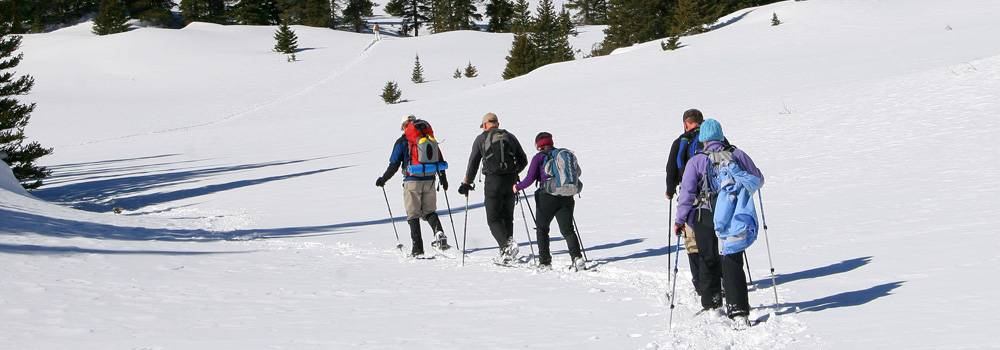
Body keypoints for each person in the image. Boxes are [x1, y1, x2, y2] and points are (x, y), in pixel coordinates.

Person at [674, 118, 763, 328]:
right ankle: (739, 310)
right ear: (721, 135)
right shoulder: (737, 155)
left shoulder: (696, 161)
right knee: (732, 258)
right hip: (732, 212)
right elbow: (758, 179)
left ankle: (712, 304)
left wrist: (679, 220)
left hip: (704, 214)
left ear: (704, 139)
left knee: (708, 257)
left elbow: (686, 193)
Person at [458, 112, 528, 263]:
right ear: (498, 123)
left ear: (484, 125)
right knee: (507, 216)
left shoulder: (481, 138)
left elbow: (473, 163)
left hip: (493, 181)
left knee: (493, 218)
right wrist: (513, 172)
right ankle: (507, 250)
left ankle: (506, 247)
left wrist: (466, 183)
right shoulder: (510, 136)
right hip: (511, 182)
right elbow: (523, 160)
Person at [376, 115, 450, 257]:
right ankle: (439, 234)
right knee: (429, 211)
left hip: (412, 180)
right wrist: (443, 180)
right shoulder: (429, 138)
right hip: (430, 179)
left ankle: (417, 249)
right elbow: (439, 160)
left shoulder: (402, 141)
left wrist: (383, 179)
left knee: (413, 214)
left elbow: (394, 164)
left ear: (404, 126)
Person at [512, 132, 585, 270]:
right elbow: (578, 173)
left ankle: (545, 262)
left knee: (542, 229)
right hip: (567, 195)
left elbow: (530, 179)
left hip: (547, 196)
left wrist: (517, 187)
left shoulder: (539, 157)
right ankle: (577, 258)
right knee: (568, 230)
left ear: (538, 145)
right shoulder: (564, 155)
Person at [665, 109, 707, 292]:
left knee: (692, 239)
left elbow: (671, 169)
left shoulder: (680, 141)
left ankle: (699, 282)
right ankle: (718, 280)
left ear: (686, 123)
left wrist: (669, 190)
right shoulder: (714, 139)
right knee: (712, 238)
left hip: (688, 195)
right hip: (713, 196)